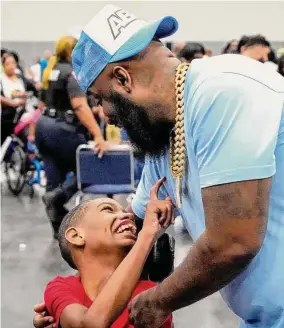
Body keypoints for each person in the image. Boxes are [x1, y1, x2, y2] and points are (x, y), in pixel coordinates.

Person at [35, 4, 284, 328]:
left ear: (123, 79)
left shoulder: (223, 91)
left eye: (100, 98)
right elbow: (133, 224)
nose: (106, 115)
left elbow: (234, 241)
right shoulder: (164, 136)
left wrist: (159, 300)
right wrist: (72, 306)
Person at [34, 178, 173, 328]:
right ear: (76, 236)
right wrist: (146, 236)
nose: (129, 215)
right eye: (108, 209)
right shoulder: (61, 287)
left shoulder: (149, 295)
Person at [35, 36, 107, 239]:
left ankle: (60, 230)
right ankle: (57, 197)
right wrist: (97, 135)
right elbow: (79, 106)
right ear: (72, 51)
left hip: (44, 126)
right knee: (90, 166)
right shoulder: (71, 74)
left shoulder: (50, 72)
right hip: (62, 129)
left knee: (54, 176)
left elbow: (42, 104)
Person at [1, 53, 38, 144]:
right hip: (6, 118)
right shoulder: (1, 78)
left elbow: (34, 88)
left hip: (22, 117)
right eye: (8, 64)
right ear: (3, 65)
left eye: (13, 63)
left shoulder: (20, 78)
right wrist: (12, 103)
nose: (11, 66)